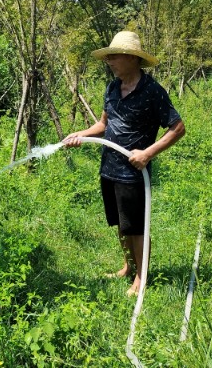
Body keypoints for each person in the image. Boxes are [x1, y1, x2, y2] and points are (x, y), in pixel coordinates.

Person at [63, 31, 185, 297]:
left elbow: (177, 128)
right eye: (108, 57)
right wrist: (80, 135)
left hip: (133, 173)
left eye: (114, 56)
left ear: (131, 58)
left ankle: (142, 277)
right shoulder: (112, 88)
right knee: (121, 223)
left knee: (137, 227)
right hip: (109, 168)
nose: (110, 61)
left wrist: (148, 153)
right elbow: (103, 125)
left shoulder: (152, 91)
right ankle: (128, 267)